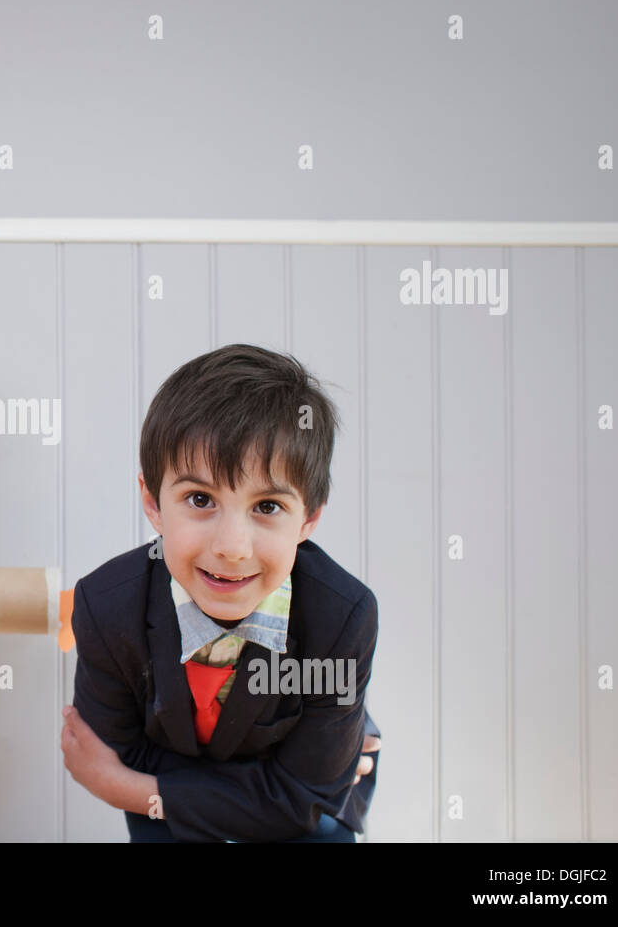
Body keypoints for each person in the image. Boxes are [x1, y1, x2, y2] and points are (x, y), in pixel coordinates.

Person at [61, 344, 381, 842]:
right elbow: (121, 748)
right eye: (200, 499)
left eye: (268, 506)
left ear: (310, 518)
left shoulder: (343, 616)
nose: (232, 548)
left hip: (302, 809)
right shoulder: (106, 607)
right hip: (176, 790)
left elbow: (303, 796)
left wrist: (122, 787)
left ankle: (351, 724)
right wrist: (260, 788)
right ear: (153, 503)